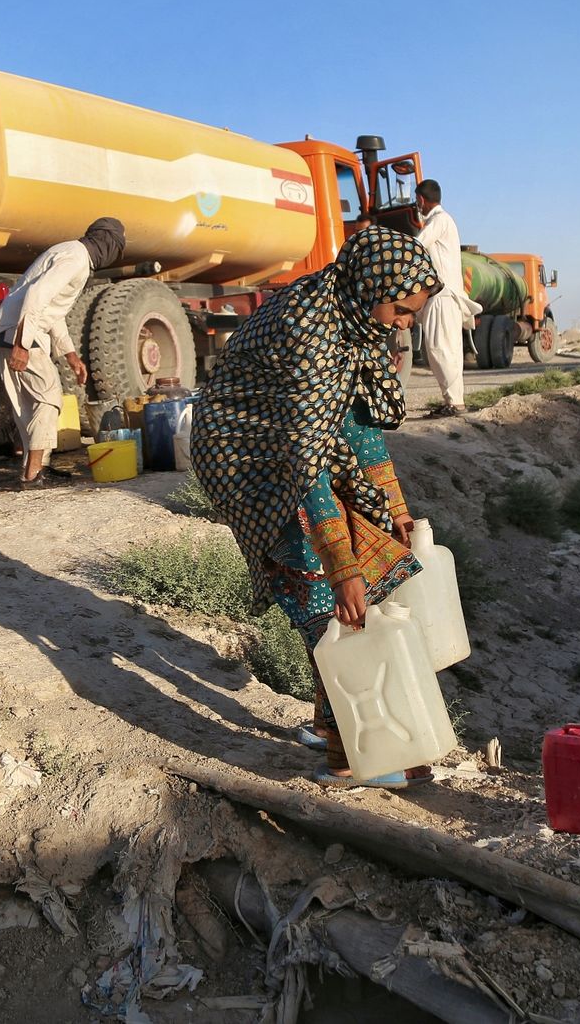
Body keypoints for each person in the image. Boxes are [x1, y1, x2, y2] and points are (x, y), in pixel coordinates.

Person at [192, 226, 443, 788]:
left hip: (300, 443)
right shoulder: (310, 330)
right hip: (246, 452)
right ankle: (350, 754)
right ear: (371, 286)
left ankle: (332, 722)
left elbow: (355, 424)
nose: (405, 323)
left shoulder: (355, 319)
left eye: (412, 314)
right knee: (322, 593)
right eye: (402, 309)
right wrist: (342, 565)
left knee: (356, 583)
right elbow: (304, 467)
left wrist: (393, 505)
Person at [0, 218, 125, 489]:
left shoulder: (70, 252)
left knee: (29, 406)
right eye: (116, 248)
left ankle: (35, 468)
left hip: (5, 331)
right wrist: (22, 344)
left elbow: (52, 310)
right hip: (19, 333)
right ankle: (34, 474)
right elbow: (36, 295)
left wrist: (70, 355)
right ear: (107, 241)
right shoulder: (75, 259)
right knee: (48, 398)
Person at [413, 179, 478, 418]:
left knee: (441, 350)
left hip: (441, 296)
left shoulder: (438, 221)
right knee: (445, 350)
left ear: (421, 199)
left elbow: (416, 247)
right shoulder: (443, 220)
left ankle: (455, 404)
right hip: (443, 296)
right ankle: (454, 401)